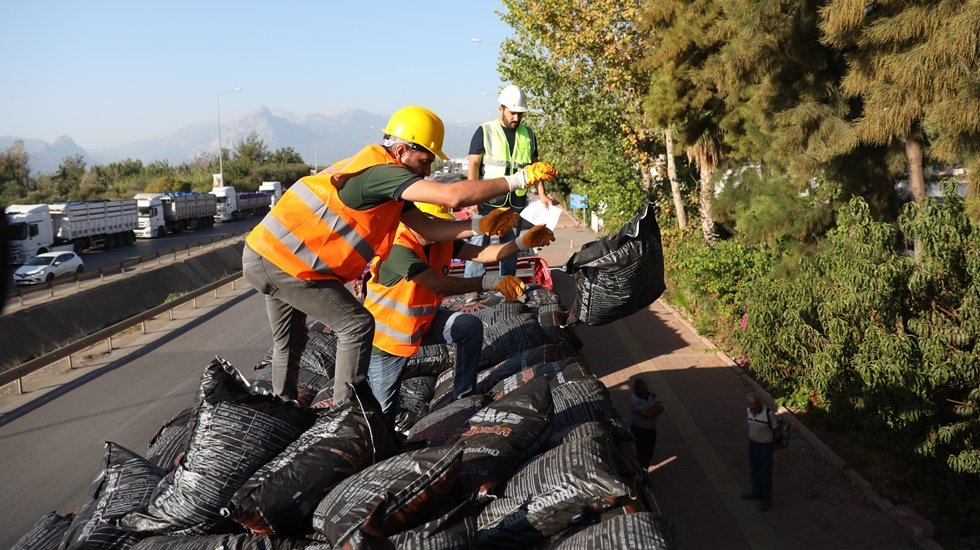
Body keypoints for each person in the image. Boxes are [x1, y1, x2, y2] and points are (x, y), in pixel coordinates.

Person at [242, 105, 557, 405]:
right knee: (356, 325)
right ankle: (346, 415)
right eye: (425, 160)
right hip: (284, 263)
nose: (428, 170)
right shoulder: (382, 174)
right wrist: (519, 179)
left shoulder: (388, 188)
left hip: (273, 256)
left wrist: (479, 225)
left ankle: (283, 402)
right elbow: (452, 196)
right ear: (402, 150)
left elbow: (430, 229)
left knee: (291, 340)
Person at [363, 201, 556, 426]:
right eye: (432, 223)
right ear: (414, 222)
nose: (438, 229)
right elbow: (437, 284)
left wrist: (522, 242)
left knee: (468, 326)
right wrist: (490, 282)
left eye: (440, 223)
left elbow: (483, 254)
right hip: (386, 341)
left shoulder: (440, 241)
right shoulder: (397, 248)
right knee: (383, 415)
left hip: (422, 323)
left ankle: (462, 396)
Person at [462, 84, 554, 301]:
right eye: (513, 113)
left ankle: (508, 287)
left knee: (511, 246)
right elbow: (473, 165)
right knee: (478, 244)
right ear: (501, 108)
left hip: (515, 203)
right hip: (487, 201)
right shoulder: (485, 131)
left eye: (520, 113)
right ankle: (472, 289)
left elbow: (534, 167)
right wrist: (473, 196)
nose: (517, 118)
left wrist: (542, 194)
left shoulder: (528, 134)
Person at [743, 391, 777, 511]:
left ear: (759, 402)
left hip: (765, 447)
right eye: (750, 404)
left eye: (755, 403)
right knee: (754, 470)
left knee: (765, 473)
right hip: (752, 445)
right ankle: (756, 491)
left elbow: (776, 431)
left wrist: (772, 444)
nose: (753, 406)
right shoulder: (748, 411)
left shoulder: (768, 414)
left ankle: (767, 500)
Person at [630, 378, 665, 471]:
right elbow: (647, 415)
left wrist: (651, 412)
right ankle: (642, 471)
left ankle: (644, 467)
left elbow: (661, 408)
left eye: (645, 388)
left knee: (649, 451)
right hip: (640, 430)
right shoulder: (635, 400)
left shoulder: (651, 394)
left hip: (651, 429)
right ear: (637, 390)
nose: (645, 391)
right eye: (642, 390)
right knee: (642, 453)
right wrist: (655, 409)